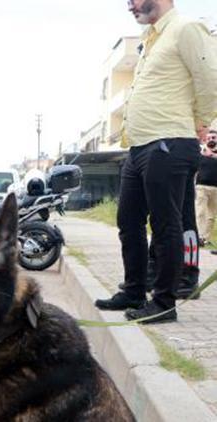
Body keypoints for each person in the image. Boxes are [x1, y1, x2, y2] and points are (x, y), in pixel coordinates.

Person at [95, 0, 217, 323]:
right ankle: (134, 290)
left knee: (166, 226)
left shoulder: (185, 29)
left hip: (170, 141)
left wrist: (202, 120)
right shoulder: (151, 39)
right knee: (128, 221)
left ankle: (164, 302)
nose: (129, 6)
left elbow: (210, 78)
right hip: (138, 147)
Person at [196, 129, 217, 248]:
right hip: (201, 187)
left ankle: (205, 238)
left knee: (211, 216)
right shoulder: (200, 152)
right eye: (209, 138)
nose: (211, 140)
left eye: (213, 138)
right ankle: (199, 236)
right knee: (200, 212)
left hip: (216, 189)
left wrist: (212, 155)